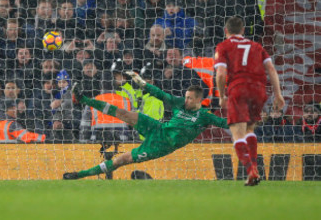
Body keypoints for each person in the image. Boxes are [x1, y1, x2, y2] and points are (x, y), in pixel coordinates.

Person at [64, 71, 228, 180]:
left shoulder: (205, 116)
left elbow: (225, 122)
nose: (186, 101)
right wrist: (142, 83)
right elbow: (160, 94)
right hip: (157, 128)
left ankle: (79, 175)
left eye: (190, 99)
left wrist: (248, 122)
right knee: (124, 113)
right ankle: (83, 99)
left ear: (199, 100)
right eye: (185, 97)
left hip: (161, 146)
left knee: (122, 159)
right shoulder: (179, 103)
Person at [214, 16, 284, 186]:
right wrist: (278, 95)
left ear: (226, 31)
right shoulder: (257, 46)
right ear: (243, 30)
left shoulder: (223, 46)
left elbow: (221, 74)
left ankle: (251, 169)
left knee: (237, 133)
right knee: (250, 128)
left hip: (238, 88)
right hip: (258, 90)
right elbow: (272, 70)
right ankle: (254, 168)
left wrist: (222, 95)